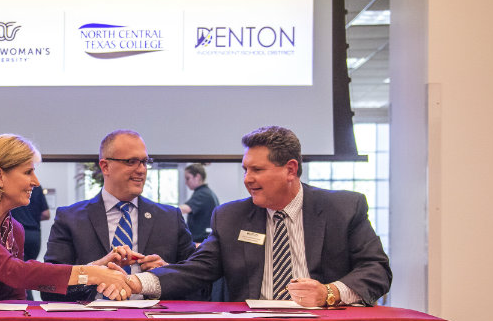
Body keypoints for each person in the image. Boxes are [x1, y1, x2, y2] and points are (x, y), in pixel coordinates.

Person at [122, 126, 392, 306]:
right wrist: (134, 282)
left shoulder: (343, 209)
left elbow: (377, 270)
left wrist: (328, 293)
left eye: (257, 170)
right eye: (245, 170)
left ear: (290, 169)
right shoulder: (231, 217)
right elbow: (196, 270)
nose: (247, 179)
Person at [0, 135, 132, 304]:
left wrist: (91, 268)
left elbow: (14, 298)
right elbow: (13, 271)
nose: (35, 182)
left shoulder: (14, 229)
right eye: (28, 172)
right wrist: (90, 273)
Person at [42, 130, 198, 301]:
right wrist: (93, 273)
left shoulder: (170, 218)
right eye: (131, 162)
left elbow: (198, 284)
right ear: (105, 166)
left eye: (145, 162)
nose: (141, 170)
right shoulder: (70, 218)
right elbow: (49, 288)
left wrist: (166, 273)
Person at [179, 163, 219, 243]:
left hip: (201, 241)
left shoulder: (203, 193)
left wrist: (163, 211)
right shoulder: (207, 192)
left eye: (188, 178)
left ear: (197, 177)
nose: (186, 183)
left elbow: (183, 209)